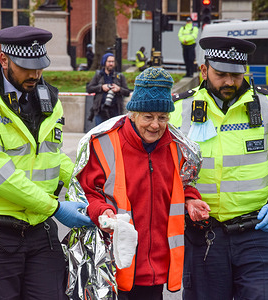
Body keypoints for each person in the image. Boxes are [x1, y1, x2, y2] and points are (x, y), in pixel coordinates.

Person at [0, 25, 93, 300]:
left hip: (39, 231)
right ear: (4, 60)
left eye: (40, 66)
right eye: (26, 67)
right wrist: (56, 207)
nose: (35, 74)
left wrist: (89, 179)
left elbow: (52, 157)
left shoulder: (48, 99)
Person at [169, 36, 268, 299]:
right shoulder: (179, 111)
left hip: (256, 230)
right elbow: (165, 169)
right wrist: (184, 200)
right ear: (204, 70)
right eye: (221, 74)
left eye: (236, 75)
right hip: (203, 235)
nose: (229, 82)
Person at [77, 67, 209, 299]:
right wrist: (103, 211)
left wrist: (190, 200)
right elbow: (86, 191)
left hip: (153, 272)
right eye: (148, 117)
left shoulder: (177, 148)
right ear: (133, 114)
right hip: (110, 266)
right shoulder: (103, 143)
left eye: (162, 117)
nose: (155, 125)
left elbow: (183, 184)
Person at [86, 52, 130, 125]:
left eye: (112, 62)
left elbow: (127, 92)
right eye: (109, 61)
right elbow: (89, 89)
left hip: (115, 111)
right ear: (104, 62)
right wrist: (101, 87)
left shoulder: (119, 76)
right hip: (100, 110)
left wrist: (119, 89)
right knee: (99, 134)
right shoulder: (98, 75)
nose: (111, 64)